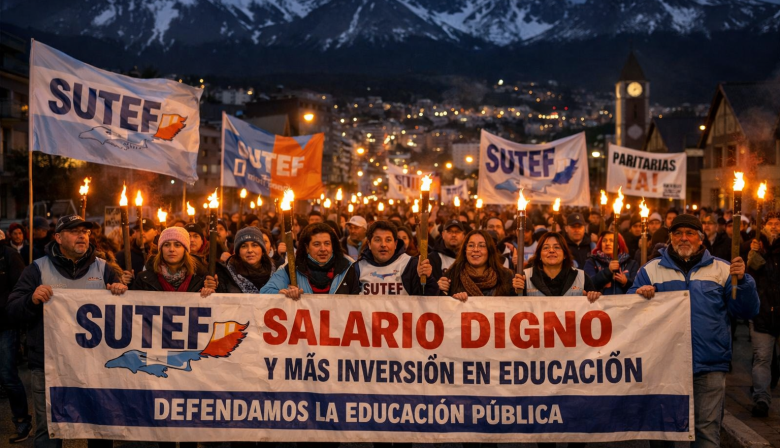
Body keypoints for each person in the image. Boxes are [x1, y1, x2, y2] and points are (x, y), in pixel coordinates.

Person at [629, 214, 759, 448]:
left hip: (708, 365)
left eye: (690, 233)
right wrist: (639, 295)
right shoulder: (650, 271)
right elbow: (629, 311)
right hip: (663, 365)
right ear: (670, 238)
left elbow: (746, 310)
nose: (683, 238)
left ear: (701, 239)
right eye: (677, 234)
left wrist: (744, 281)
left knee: (706, 433)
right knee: (661, 432)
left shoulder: (722, 269)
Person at [6, 214, 128, 448]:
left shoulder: (104, 270)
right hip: (49, 364)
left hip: (95, 365)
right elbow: (12, 310)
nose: (82, 235)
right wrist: (31, 300)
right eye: (74, 231)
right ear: (59, 238)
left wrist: (121, 292)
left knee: (100, 426)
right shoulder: (37, 269)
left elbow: (124, 317)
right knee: (49, 428)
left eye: (85, 231)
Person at [261, 222, 360, 298]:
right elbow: (265, 292)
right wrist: (284, 293)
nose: (323, 249)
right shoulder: (292, 268)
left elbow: (361, 299)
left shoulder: (349, 267)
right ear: (307, 247)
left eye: (327, 243)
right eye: (316, 244)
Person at [747, 212, 780, 417]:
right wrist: (753, 253)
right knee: (762, 358)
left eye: (778, 223)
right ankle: (761, 398)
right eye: (770, 223)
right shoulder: (754, 247)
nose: (774, 226)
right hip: (762, 312)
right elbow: (749, 275)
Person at [0, 232, 30, 443]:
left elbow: (20, 291)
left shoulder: (9, 256)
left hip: (4, 326)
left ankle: (22, 422)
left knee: (8, 375)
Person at [357, 221, 438, 296]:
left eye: (388, 240)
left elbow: (429, 301)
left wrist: (428, 279)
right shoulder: (359, 267)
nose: (383, 244)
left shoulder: (410, 264)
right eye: (377, 240)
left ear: (395, 244)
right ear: (369, 244)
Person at [437, 230, 517, 301]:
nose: (475, 250)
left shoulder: (507, 276)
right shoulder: (451, 276)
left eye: (481, 246)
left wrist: (518, 290)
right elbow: (441, 309)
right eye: (471, 245)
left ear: (489, 250)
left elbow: (517, 307)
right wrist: (449, 298)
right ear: (465, 250)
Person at [211, 227, 275, 293]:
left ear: (262, 250)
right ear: (238, 252)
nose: (250, 250)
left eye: (254, 245)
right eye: (244, 246)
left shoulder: (277, 272)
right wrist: (212, 288)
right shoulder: (225, 275)